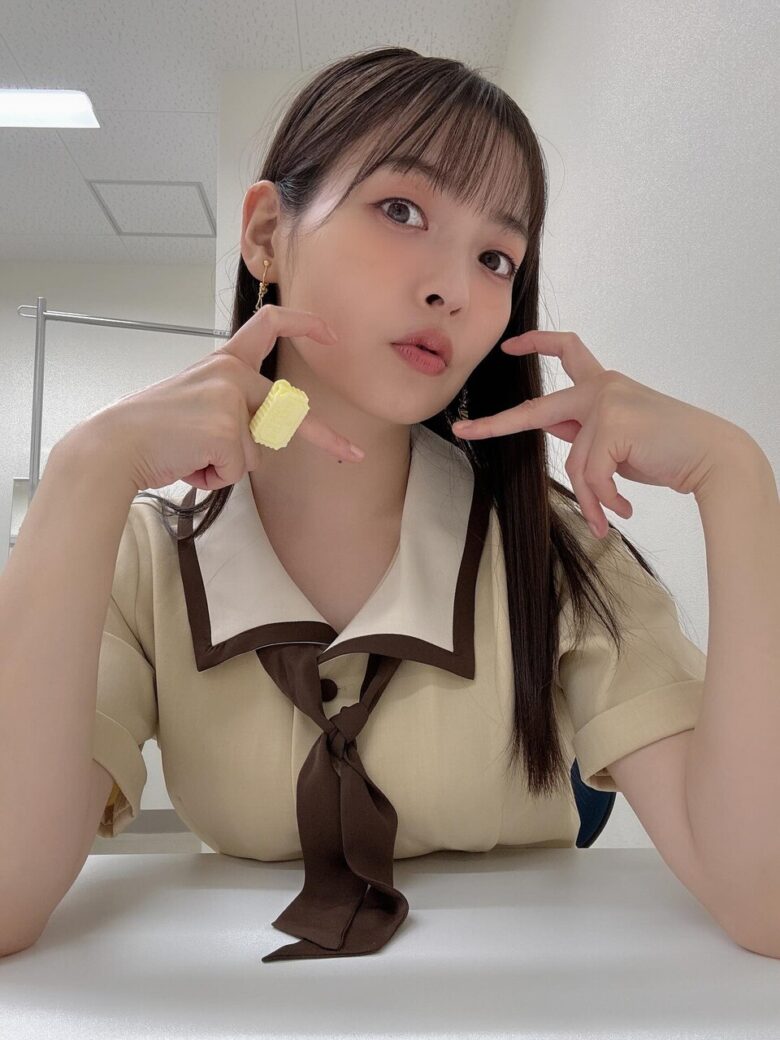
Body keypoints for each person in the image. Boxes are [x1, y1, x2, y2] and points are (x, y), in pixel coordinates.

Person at [0, 46, 712, 962]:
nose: (453, 289)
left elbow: (761, 891)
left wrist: (736, 482)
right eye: (401, 210)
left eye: (496, 257)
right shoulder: (142, 560)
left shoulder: (555, 541)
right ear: (267, 235)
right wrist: (84, 470)